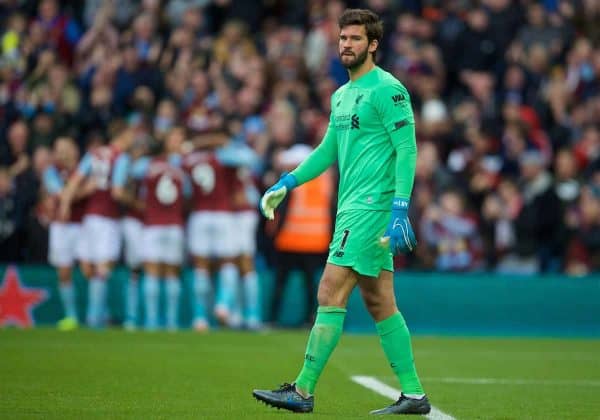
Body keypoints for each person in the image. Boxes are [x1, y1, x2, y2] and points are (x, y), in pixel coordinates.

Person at [252, 9, 430, 415]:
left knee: (329, 291)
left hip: (371, 207)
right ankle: (414, 394)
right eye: (342, 38)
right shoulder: (341, 95)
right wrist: (287, 183)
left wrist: (400, 205)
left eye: (354, 38)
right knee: (380, 301)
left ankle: (302, 389)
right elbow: (327, 151)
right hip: (351, 206)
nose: (346, 44)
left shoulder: (389, 90)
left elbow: (407, 149)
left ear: (373, 44)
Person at [131, 126, 189, 331]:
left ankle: (160, 322)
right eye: (174, 138)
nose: (176, 141)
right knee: (157, 272)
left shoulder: (149, 164)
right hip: (161, 225)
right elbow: (190, 194)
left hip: (164, 225)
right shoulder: (183, 165)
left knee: (166, 272)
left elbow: (133, 172)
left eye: (179, 137)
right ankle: (157, 321)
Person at [43, 137, 90, 330]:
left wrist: (77, 191)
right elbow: (62, 194)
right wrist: (84, 190)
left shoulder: (85, 168)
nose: (62, 152)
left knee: (89, 269)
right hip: (61, 227)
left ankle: (96, 313)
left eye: (66, 148)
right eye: (58, 148)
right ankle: (71, 316)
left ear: (75, 150)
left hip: (83, 224)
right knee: (64, 271)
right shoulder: (51, 172)